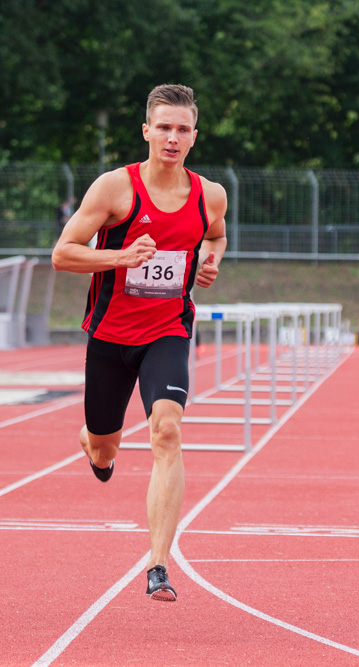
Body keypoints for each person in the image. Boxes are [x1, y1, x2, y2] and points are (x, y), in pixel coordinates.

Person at [51, 83, 227, 601]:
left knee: (166, 431)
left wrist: (211, 260)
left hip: (168, 328)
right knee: (105, 445)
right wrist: (120, 258)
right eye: (164, 127)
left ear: (194, 137)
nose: (173, 138)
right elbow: (63, 254)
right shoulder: (115, 189)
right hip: (109, 334)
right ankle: (94, 444)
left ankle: (158, 565)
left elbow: (216, 233)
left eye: (182, 129)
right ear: (147, 131)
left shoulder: (210, 195)